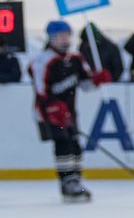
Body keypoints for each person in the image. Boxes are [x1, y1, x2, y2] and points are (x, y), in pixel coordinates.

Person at [29, 20, 112, 202]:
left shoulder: (76, 58)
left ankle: (76, 178)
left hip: (69, 112)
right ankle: (67, 182)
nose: (63, 40)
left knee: (75, 145)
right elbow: (41, 90)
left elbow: (85, 85)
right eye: (58, 36)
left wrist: (97, 80)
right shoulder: (43, 60)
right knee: (63, 143)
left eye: (66, 35)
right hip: (48, 112)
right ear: (50, 39)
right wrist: (52, 107)